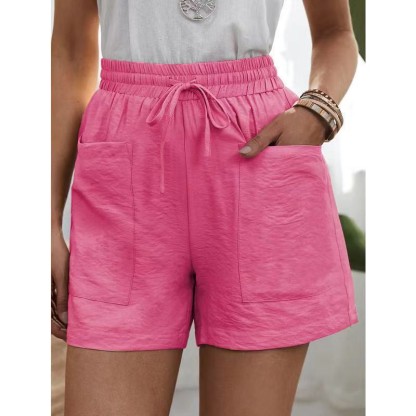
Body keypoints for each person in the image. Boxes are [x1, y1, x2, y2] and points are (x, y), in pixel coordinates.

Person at [51, 1, 359, 414]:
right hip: (127, 171)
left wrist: (317, 112)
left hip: (255, 159)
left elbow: (336, 34)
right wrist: (45, 219)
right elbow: (71, 51)